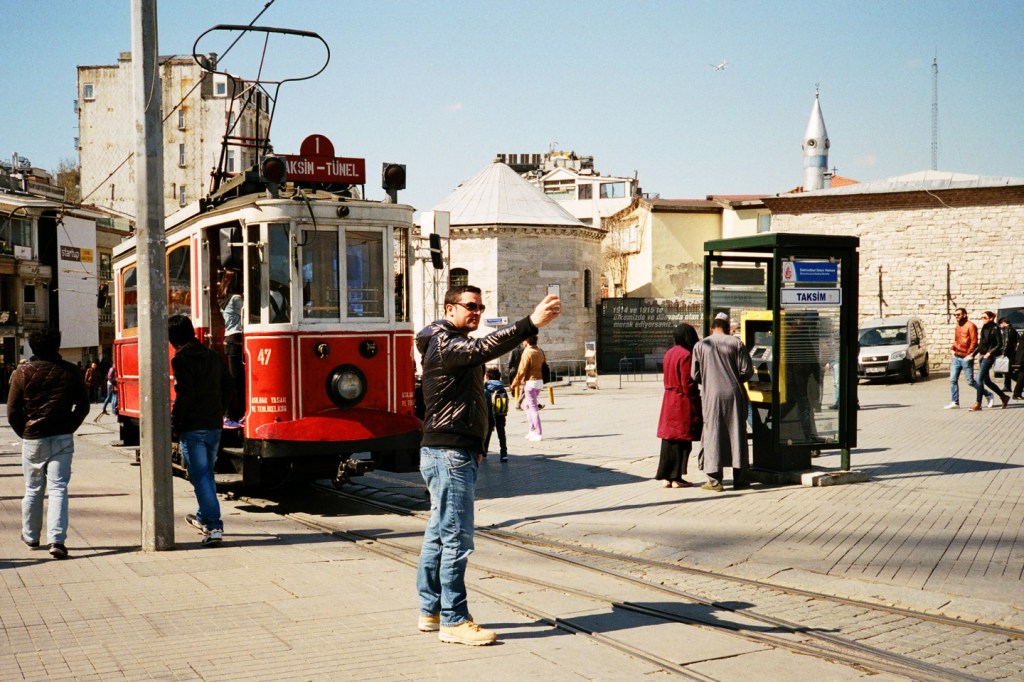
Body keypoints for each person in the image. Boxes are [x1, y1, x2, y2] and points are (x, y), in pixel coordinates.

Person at [415, 285, 560, 646]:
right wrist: (528, 323)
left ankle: (431, 611)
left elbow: (471, 400)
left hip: (453, 450)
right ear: (450, 308)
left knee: (438, 533)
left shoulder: (447, 340)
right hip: (449, 454)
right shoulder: (446, 342)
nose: (477, 312)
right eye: (470, 306)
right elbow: (485, 347)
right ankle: (454, 619)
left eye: (480, 306)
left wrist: (479, 444)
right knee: (456, 538)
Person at [8, 328, 90, 559]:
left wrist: (24, 431)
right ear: (57, 345)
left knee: (33, 488)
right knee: (58, 488)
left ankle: (31, 536)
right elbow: (83, 406)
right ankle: (57, 540)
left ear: (33, 347)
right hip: (62, 437)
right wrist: (69, 426)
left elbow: (13, 410)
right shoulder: (71, 371)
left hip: (33, 438)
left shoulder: (22, 372)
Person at [168, 314, 234, 545]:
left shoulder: (181, 360)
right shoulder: (213, 356)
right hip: (214, 426)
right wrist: (220, 410)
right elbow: (229, 385)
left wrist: (175, 424)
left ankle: (214, 527)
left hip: (193, 428)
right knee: (207, 475)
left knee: (201, 476)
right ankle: (202, 517)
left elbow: (185, 396)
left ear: (172, 338)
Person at [691, 317, 754, 491]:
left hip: (712, 396)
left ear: (712, 329)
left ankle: (715, 480)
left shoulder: (701, 345)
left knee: (713, 433)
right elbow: (747, 371)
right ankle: (741, 479)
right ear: (727, 329)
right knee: (737, 434)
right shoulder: (737, 343)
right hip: (735, 394)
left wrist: (709, 378)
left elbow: (695, 375)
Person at [655, 323, 702, 488]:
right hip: (681, 401)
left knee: (669, 440)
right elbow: (687, 383)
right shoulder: (686, 355)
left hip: (669, 399)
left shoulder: (669, 353)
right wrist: (696, 399)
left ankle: (667, 476)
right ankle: (677, 477)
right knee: (682, 440)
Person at [220, 269, 245, 428]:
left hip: (230, 339)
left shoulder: (224, 299)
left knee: (234, 380)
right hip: (236, 339)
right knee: (237, 381)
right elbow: (248, 314)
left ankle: (232, 415)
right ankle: (230, 415)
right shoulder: (236, 299)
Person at [970, 311, 1008, 411]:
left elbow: (999, 344)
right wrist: (973, 354)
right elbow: (981, 343)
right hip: (982, 356)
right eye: (982, 317)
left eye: (985, 317)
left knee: (978, 379)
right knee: (987, 381)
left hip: (989, 357)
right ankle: (1003, 396)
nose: (983, 319)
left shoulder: (995, 329)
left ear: (991, 318)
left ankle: (978, 403)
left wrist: (989, 353)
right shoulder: (984, 328)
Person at [511, 335, 546, 441]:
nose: (522, 343)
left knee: (533, 407)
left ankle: (538, 433)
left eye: (523, 341)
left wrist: (514, 383)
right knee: (526, 405)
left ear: (527, 341)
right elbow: (544, 365)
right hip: (539, 381)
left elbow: (522, 370)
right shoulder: (540, 351)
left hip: (530, 382)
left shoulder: (527, 352)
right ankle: (531, 430)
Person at [946, 307, 981, 409]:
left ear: (964, 315)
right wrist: (952, 348)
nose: (956, 317)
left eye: (958, 315)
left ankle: (987, 394)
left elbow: (974, 342)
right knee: (952, 379)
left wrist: (969, 355)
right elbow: (956, 340)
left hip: (966, 357)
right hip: (956, 357)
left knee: (970, 381)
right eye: (955, 315)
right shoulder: (957, 327)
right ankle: (955, 402)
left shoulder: (971, 326)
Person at [483, 367, 509, 461]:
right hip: (500, 413)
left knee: (487, 432)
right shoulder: (502, 388)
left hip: (489, 414)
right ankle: (504, 453)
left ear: (487, 377)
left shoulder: (485, 388)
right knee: (501, 433)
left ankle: (484, 451)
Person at [997, 317, 1019, 394]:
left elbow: (1007, 342)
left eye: (1000, 324)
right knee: (1006, 370)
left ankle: (1020, 383)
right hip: (1012, 353)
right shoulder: (1013, 330)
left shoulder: (1007, 330)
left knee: (1008, 371)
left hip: (1008, 353)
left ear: (1003, 322)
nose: (1000, 326)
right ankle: (1007, 386)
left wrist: (1004, 353)